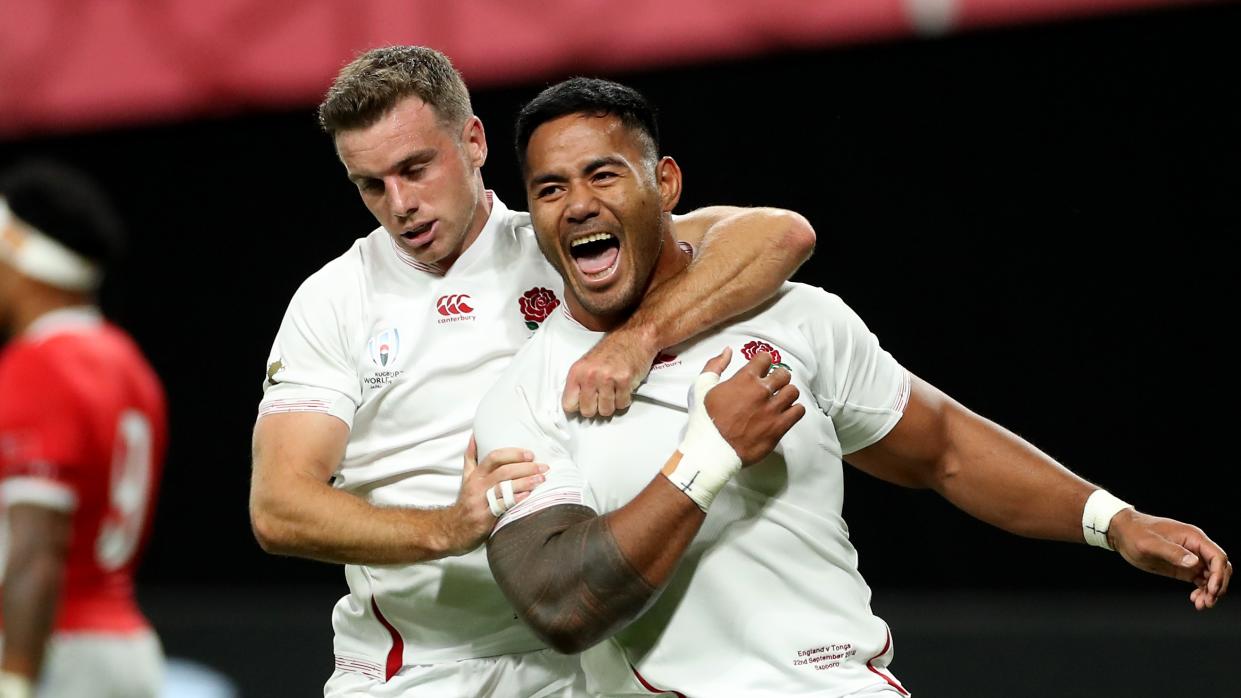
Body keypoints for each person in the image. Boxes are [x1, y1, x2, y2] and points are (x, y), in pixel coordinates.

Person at [475, 77, 1233, 697]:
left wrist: (1114, 520)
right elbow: (562, 606)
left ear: (665, 183)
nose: (576, 202)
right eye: (549, 188)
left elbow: (942, 449)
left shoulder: (796, 317)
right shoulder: (527, 391)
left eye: (602, 173)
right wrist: (705, 458)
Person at [247, 46, 816, 696]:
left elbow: (778, 235)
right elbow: (279, 508)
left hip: (593, 652)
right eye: (371, 185)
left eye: (415, 168)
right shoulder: (335, 298)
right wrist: (445, 527)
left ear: (472, 140)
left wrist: (638, 337)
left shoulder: (565, 246)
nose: (399, 204)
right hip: (423, 668)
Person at [0, 161, 167, 698]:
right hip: (124, 646)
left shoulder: (39, 365)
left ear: (21, 255)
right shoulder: (128, 364)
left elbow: (37, 547)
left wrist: (16, 679)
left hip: (56, 652)